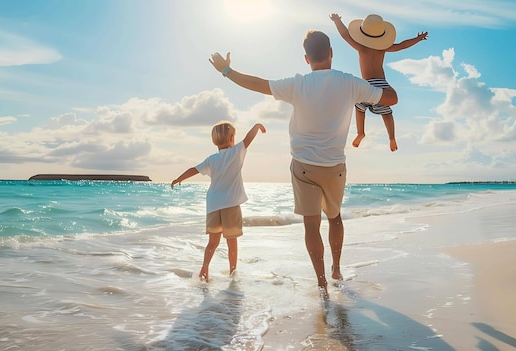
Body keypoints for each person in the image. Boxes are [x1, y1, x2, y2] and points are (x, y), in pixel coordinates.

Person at [209, 29, 398, 297]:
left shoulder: (297, 84)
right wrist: (378, 80)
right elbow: (392, 99)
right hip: (335, 167)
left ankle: (321, 284)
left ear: (307, 59)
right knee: (334, 218)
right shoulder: (350, 83)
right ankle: (336, 269)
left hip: (303, 166)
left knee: (311, 225)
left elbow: (259, 84)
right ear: (331, 54)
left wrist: (227, 71)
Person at [171, 121, 266, 283]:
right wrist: (256, 126)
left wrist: (179, 178)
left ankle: (204, 269)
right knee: (232, 241)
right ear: (231, 137)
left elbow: (194, 169)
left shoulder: (211, 159)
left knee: (213, 242)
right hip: (230, 204)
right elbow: (248, 139)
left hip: (213, 205)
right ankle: (233, 273)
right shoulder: (236, 152)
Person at [330, 13, 428, 150]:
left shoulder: (361, 47)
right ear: (381, 36)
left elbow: (345, 35)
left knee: (359, 107)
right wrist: (417, 39)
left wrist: (337, 21)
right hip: (381, 84)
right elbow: (402, 46)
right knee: (386, 112)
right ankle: (392, 137)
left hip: (366, 85)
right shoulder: (383, 48)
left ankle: (360, 132)